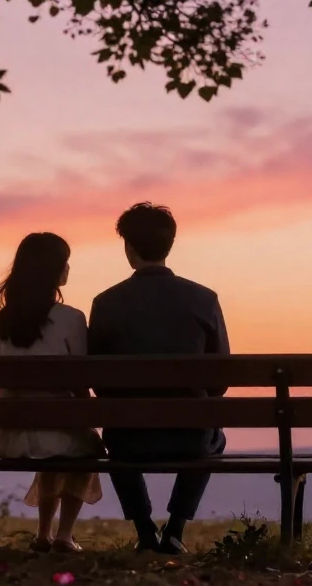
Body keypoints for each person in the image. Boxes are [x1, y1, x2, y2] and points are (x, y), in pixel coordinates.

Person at [88, 203, 231, 554]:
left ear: (129, 248)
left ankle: (144, 531)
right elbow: (221, 378)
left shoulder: (106, 303)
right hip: (191, 439)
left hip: (128, 440)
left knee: (115, 434)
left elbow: (97, 379)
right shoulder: (203, 298)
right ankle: (176, 530)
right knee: (215, 436)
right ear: (170, 244)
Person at [0, 232, 104, 553]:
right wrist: (88, 417)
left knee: (51, 440)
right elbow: (82, 379)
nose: (68, 268)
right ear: (54, 271)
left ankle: (42, 534)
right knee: (83, 446)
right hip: (58, 428)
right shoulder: (71, 319)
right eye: (65, 262)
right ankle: (64, 535)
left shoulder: (2, 322)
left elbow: (0, 381)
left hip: (10, 436)